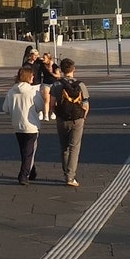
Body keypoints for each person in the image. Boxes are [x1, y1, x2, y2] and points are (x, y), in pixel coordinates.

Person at [49, 58, 90, 189]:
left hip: (62, 119)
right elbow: (86, 104)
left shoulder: (56, 85)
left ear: (61, 70)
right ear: (73, 69)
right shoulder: (81, 85)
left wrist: (56, 113)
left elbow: (51, 103)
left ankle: (66, 172)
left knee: (64, 147)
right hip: (77, 119)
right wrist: (83, 117)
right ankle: (70, 177)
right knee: (74, 147)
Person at [3, 66, 42, 185]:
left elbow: (5, 108)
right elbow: (40, 106)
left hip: (17, 125)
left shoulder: (11, 91)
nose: (33, 77)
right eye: (32, 75)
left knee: (24, 150)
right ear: (28, 77)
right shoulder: (33, 91)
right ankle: (23, 175)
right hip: (31, 125)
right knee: (30, 151)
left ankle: (32, 170)